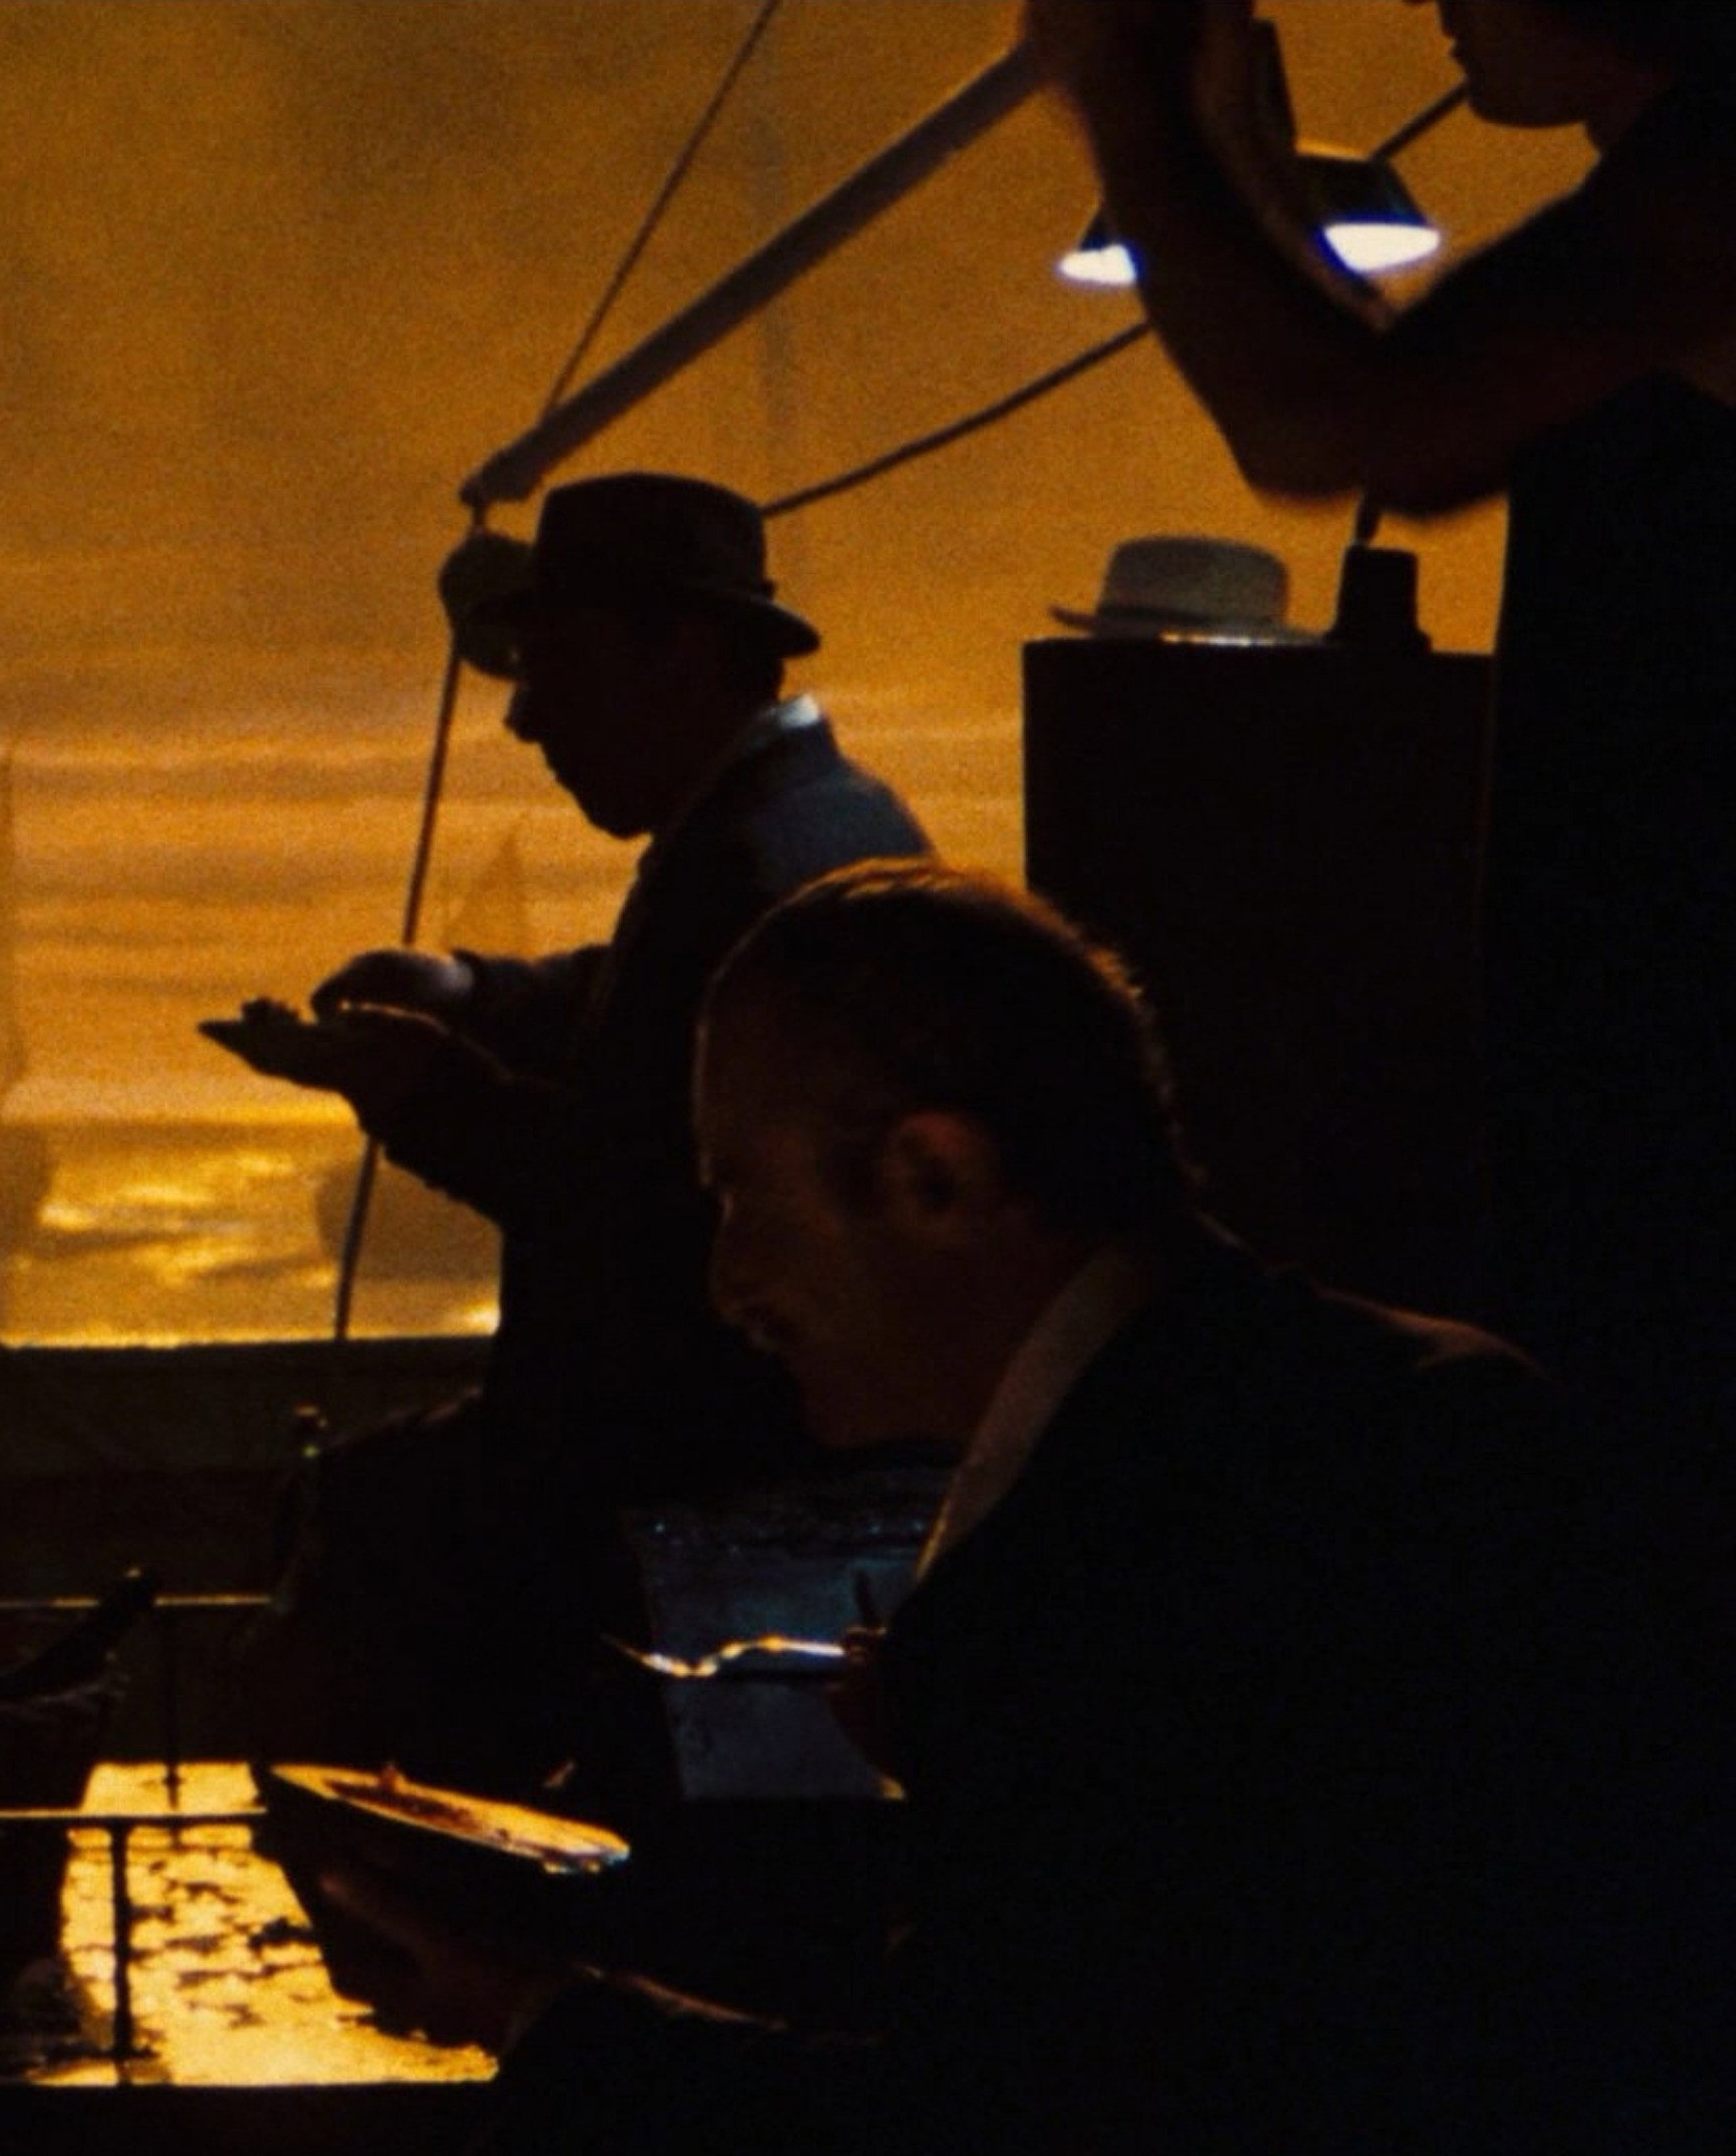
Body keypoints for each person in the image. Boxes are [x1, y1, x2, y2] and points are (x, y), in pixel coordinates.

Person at [310, 862, 1728, 2153]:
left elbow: (987, 2119)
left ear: (935, 1178)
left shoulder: (1075, 1596)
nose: (726, 1279)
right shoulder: (1427, 1402)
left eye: (741, 1197)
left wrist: (542, 2018)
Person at [1025, 0, 1736, 1497]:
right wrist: (1236, 159)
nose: (1435, 2)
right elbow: (1382, 395)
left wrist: (1128, 100)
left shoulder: (1712, 184)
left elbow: (1346, 424)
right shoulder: (1670, 192)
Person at [208, 471, 929, 1801]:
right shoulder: (812, 820)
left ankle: (452, 1893)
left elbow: (650, 1216)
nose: (525, 716)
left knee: (362, 1531)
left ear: (682, 650)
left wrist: (422, 1094)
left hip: (703, 1462)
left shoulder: (753, 867)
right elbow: (653, 1005)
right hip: (745, 1436)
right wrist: (477, 992)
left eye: (557, 668)